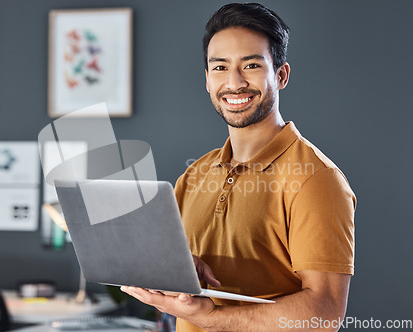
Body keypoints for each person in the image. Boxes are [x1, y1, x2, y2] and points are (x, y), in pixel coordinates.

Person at [121, 3, 356, 331]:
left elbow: (324, 311)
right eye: (219, 67)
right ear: (206, 80)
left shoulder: (316, 178)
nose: (234, 82)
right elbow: (173, 286)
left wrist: (213, 318)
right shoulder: (193, 176)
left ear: (281, 75)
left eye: (251, 65)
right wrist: (166, 276)